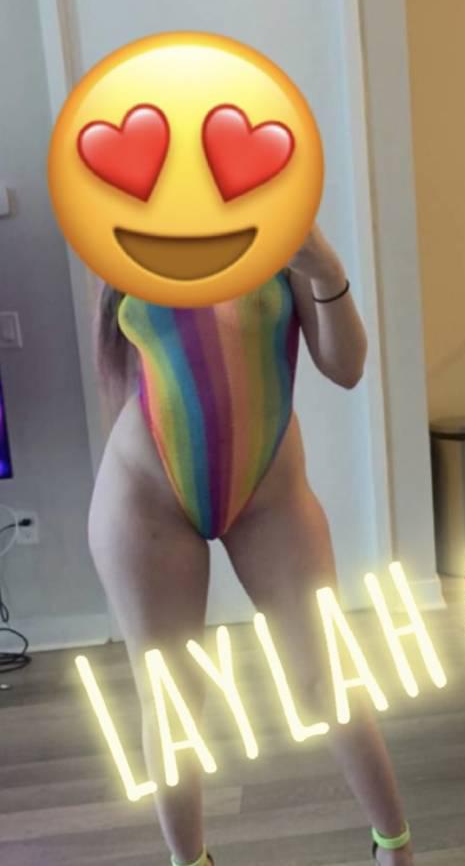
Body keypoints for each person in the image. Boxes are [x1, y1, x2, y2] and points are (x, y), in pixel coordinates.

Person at [88, 223, 413, 866]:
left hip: (270, 493)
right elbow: (125, 374)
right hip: (143, 497)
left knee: (326, 675)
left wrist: (325, 268)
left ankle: (394, 848)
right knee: (171, 699)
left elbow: (346, 369)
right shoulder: (126, 221)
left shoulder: (278, 224)